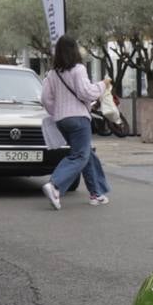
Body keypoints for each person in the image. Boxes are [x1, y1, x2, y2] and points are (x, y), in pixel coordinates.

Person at [40, 34, 110, 209]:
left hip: (61, 121)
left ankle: (96, 194)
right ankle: (55, 185)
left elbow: (45, 98)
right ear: (74, 50)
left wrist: (58, 113)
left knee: (87, 155)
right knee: (80, 156)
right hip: (79, 119)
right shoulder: (78, 69)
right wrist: (103, 84)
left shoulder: (52, 73)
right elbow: (86, 92)